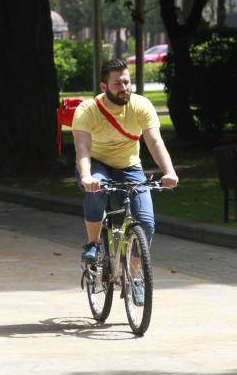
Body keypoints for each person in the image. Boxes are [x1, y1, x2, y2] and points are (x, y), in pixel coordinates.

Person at [72, 59, 179, 278]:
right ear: (104, 87)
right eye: (117, 84)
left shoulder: (141, 106)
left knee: (146, 223)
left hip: (129, 166)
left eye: (127, 82)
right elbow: (82, 149)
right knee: (97, 189)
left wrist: (169, 172)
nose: (124, 88)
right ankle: (92, 244)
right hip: (96, 163)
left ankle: (133, 275)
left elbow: (155, 142)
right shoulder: (87, 111)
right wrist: (86, 177)